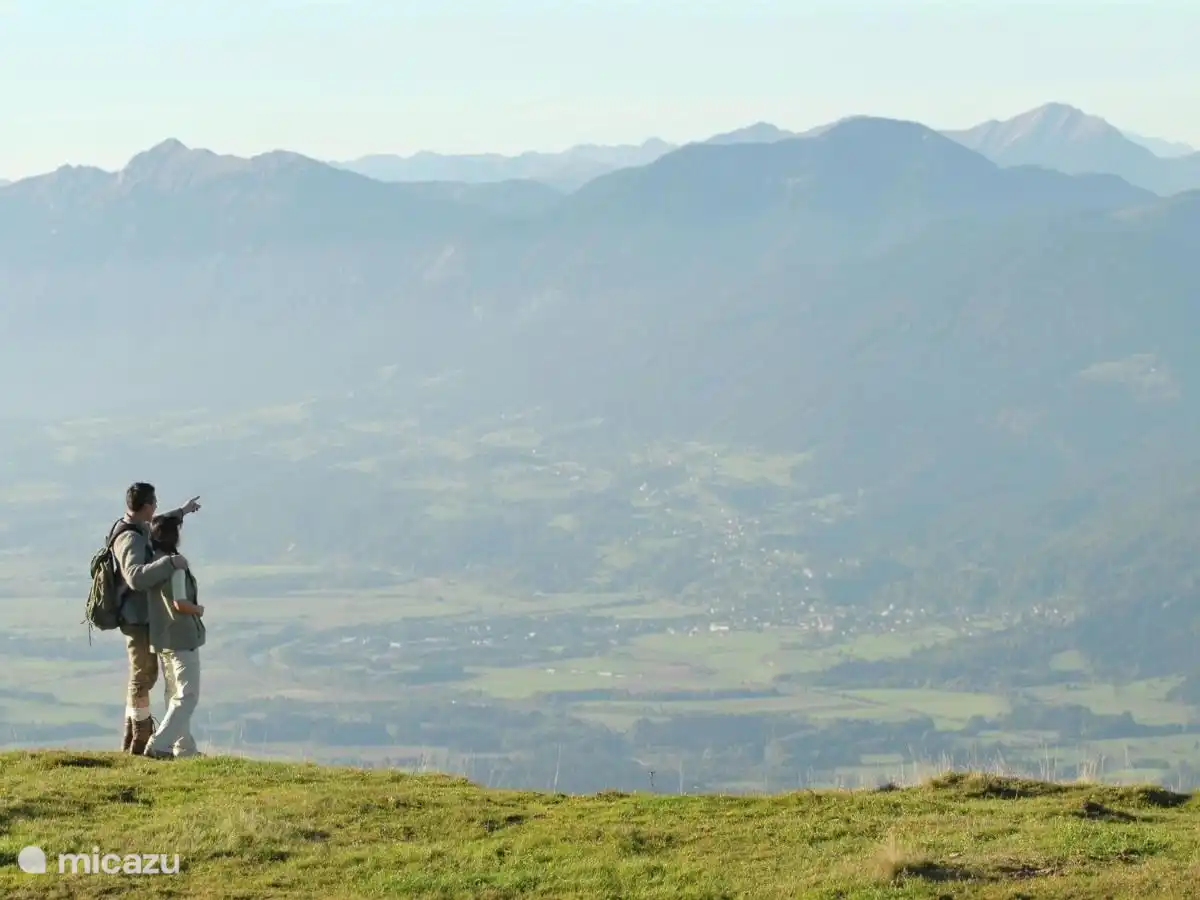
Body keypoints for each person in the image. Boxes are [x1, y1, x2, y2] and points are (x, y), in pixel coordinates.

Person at [109, 483, 200, 754]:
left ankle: (141, 739)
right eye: (155, 503)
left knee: (148, 676)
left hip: (144, 616)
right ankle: (138, 738)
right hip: (135, 619)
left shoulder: (139, 528)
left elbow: (157, 525)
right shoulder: (130, 538)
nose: (157, 507)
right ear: (147, 506)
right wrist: (170, 563)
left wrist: (182, 512)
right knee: (143, 675)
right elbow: (135, 576)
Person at [142, 513, 205, 760]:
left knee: (173, 694)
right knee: (187, 696)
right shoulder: (176, 567)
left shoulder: (154, 565)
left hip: (163, 639)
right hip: (182, 637)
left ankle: (184, 748)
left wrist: (183, 510)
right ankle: (159, 745)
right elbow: (180, 602)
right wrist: (198, 609)